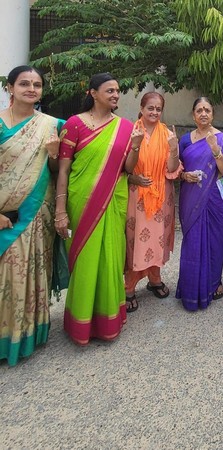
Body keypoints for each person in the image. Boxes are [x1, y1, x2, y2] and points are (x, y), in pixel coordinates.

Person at [55, 73, 139, 345]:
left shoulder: (125, 127)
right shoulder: (75, 124)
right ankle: (80, 323)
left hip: (113, 201)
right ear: (93, 93)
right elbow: (63, 170)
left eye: (117, 91)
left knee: (110, 259)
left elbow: (128, 168)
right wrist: (60, 209)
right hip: (81, 201)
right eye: (110, 91)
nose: (116, 95)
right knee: (86, 260)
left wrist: (136, 146)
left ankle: (107, 319)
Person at [0, 65, 62, 366]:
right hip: (2, 215)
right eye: (24, 83)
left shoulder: (52, 126)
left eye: (37, 85)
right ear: (9, 88)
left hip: (37, 215)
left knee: (28, 273)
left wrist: (53, 154)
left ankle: (25, 337)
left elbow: (56, 174)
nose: (31, 89)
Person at [177, 97, 223, 311]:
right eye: (199, 110)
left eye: (207, 110)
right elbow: (178, 168)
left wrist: (215, 150)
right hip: (191, 197)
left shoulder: (221, 139)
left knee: (214, 242)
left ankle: (215, 282)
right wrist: (184, 175)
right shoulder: (185, 140)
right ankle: (189, 287)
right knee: (192, 241)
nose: (203, 113)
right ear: (193, 114)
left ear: (212, 114)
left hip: (215, 199)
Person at [124, 92, 181, 312]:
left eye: (158, 109)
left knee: (158, 240)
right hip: (137, 196)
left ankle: (155, 278)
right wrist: (134, 176)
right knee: (135, 241)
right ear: (141, 107)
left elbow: (172, 168)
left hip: (161, 197)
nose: (155, 112)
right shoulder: (130, 132)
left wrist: (174, 148)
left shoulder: (166, 134)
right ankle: (129, 286)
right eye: (151, 108)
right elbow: (123, 168)